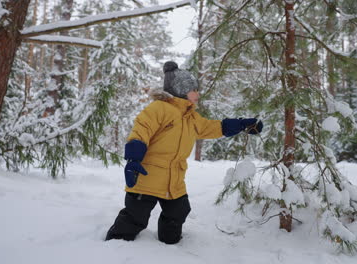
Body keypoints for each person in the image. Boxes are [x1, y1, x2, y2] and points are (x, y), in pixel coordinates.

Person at [105, 61, 263, 244]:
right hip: (147, 174)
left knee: (178, 211)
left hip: (174, 179)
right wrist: (133, 158)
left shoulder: (191, 118)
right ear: (182, 90)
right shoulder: (160, 109)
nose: (198, 94)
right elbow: (141, 130)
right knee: (135, 216)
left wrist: (243, 124)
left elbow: (215, 127)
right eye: (194, 90)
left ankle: (169, 242)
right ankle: (116, 245)